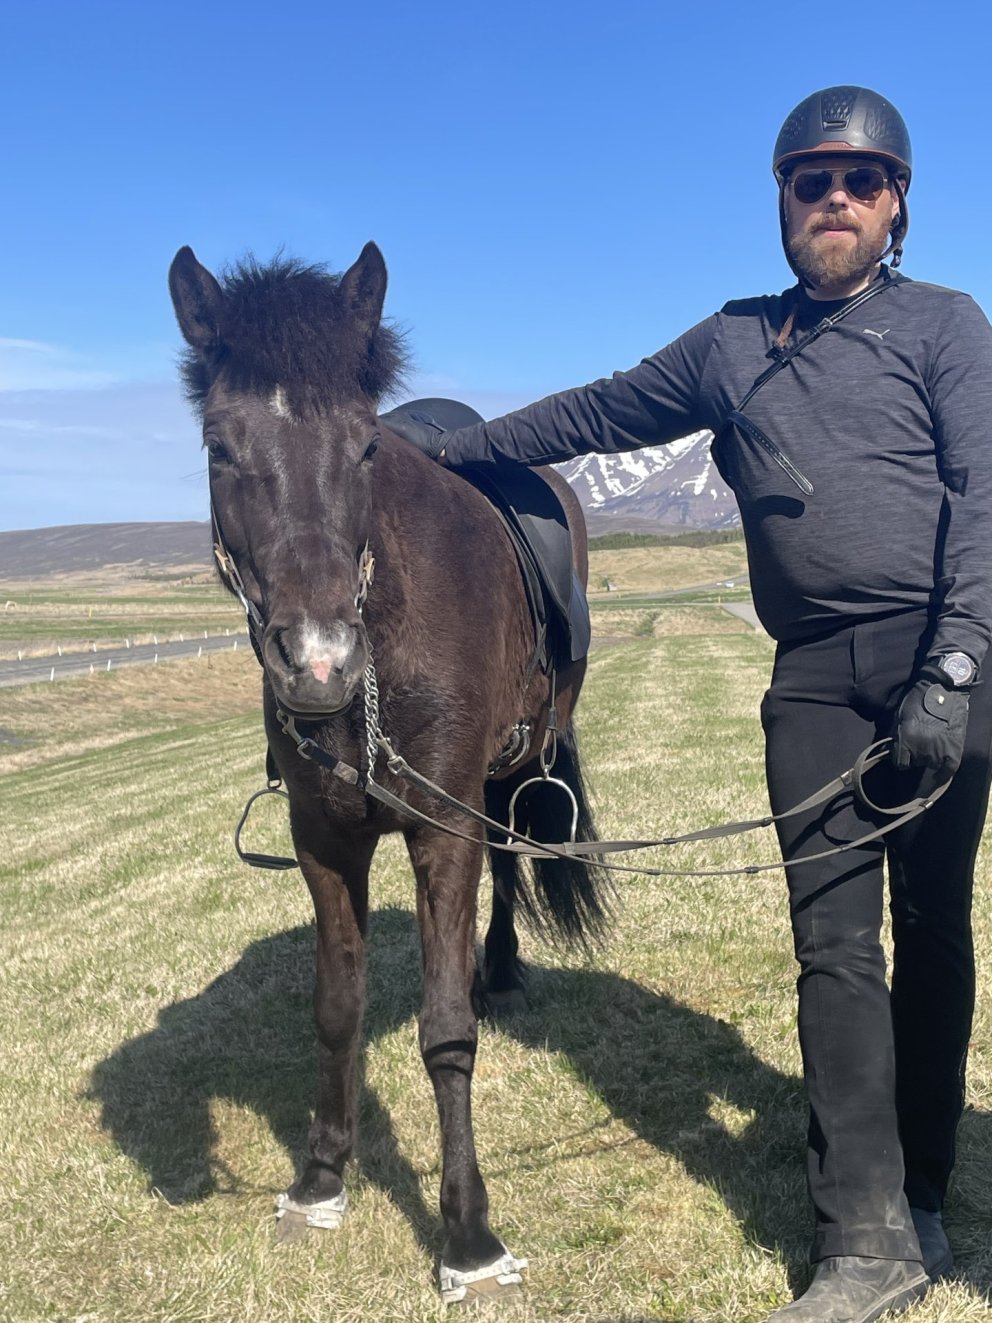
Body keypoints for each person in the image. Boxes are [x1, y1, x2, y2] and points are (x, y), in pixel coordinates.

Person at [384, 86, 992, 1322]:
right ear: (779, 199)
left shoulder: (946, 326)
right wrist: (425, 458)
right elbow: (594, 411)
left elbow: (985, 502)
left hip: (936, 660)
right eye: (808, 180)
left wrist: (955, 669)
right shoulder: (730, 343)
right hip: (813, 670)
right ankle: (864, 1240)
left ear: (895, 206)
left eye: (857, 182)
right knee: (833, 944)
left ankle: (923, 1183)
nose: (832, 200)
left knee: (930, 929)